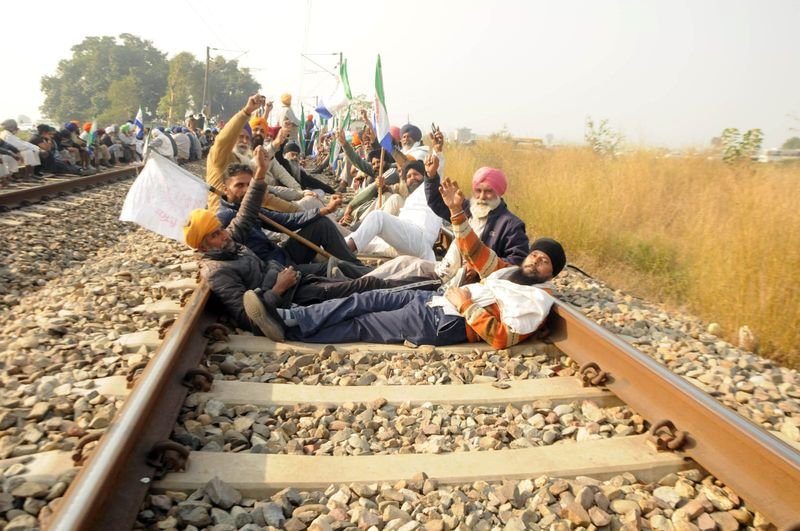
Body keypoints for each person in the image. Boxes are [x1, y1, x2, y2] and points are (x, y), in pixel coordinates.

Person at [244, 176, 566, 347]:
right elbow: (476, 253)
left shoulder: (538, 298)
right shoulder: (509, 272)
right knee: (364, 298)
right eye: (536, 255)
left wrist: (467, 306)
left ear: (552, 274)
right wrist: (456, 210)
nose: (536, 261)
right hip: (436, 300)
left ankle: (293, 330)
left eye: (544, 263)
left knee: (364, 324)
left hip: (448, 323)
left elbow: (502, 337)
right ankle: (289, 314)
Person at [184, 145, 430, 334]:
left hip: (288, 274)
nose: (224, 233)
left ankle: (418, 284)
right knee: (357, 286)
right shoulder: (219, 263)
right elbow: (249, 316)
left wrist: (319, 210)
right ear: (203, 245)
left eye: (221, 230)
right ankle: (423, 289)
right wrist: (278, 287)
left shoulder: (229, 240)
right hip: (289, 289)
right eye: (239, 186)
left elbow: (269, 215)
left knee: (343, 262)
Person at [218, 162, 372, 278]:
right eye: (239, 185)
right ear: (225, 189)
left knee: (322, 224)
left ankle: (359, 267)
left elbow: (286, 220)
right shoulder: (225, 218)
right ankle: (371, 276)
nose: (246, 190)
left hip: (283, 255)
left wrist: (326, 210)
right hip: (275, 271)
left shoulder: (250, 209)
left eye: (249, 185)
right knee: (335, 267)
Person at [344, 159, 442, 261]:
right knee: (368, 241)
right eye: (408, 176)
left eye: (416, 174)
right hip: (404, 245)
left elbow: (436, 169)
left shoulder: (429, 190)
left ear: (424, 176)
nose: (412, 178)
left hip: (419, 240)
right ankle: (334, 248)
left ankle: (344, 251)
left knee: (378, 217)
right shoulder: (410, 198)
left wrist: (437, 153)